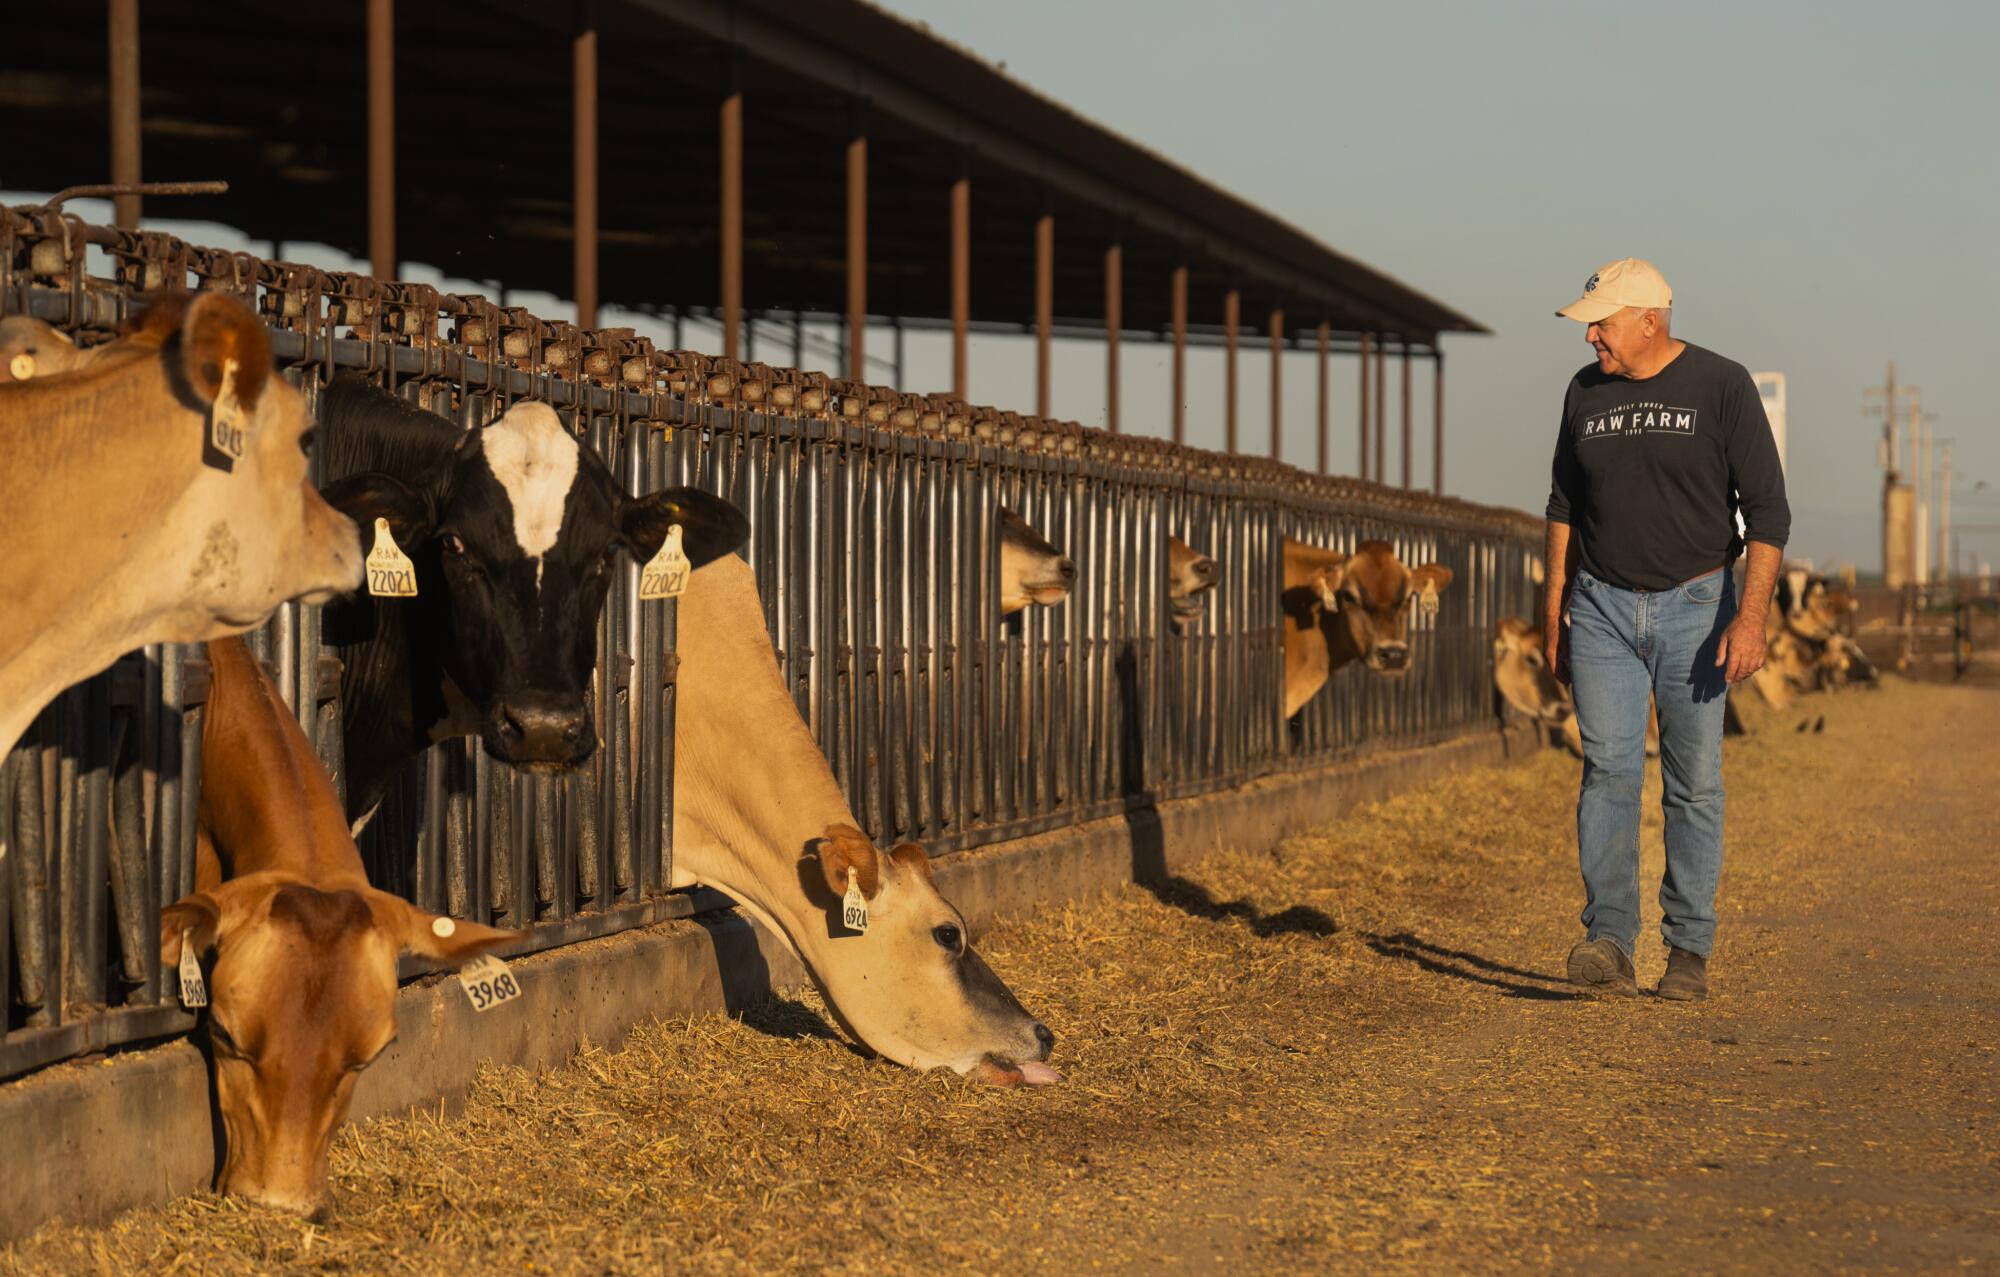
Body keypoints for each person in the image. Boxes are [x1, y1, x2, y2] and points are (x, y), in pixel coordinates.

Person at [1543, 258, 1788, 1001]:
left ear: (1651, 319)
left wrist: (1750, 618)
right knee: (1609, 771)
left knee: (1693, 784)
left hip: (1696, 607)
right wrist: (1553, 609)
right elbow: (1562, 504)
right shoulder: (1584, 393)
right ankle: (1610, 941)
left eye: (1604, 322)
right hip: (1602, 609)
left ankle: (1687, 951)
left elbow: (1768, 512)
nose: (1591, 336)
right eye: (1590, 322)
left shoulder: (1721, 385)